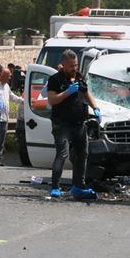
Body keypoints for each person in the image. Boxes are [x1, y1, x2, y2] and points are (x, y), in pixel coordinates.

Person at [46, 50, 101, 200]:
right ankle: (55, 186)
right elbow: (51, 100)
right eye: (71, 66)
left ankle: (78, 186)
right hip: (62, 124)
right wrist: (66, 93)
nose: (74, 68)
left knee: (82, 154)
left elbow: (86, 93)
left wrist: (95, 107)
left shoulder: (79, 76)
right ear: (63, 65)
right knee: (62, 154)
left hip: (79, 123)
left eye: (75, 65)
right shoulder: (55, 80)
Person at [0, 67, 24, 166]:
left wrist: (23, 101)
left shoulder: (6, 86)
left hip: (5, 117)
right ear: (3, 75)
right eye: (9, 75)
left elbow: (12, 97)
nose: (10, 77)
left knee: (2, 139)